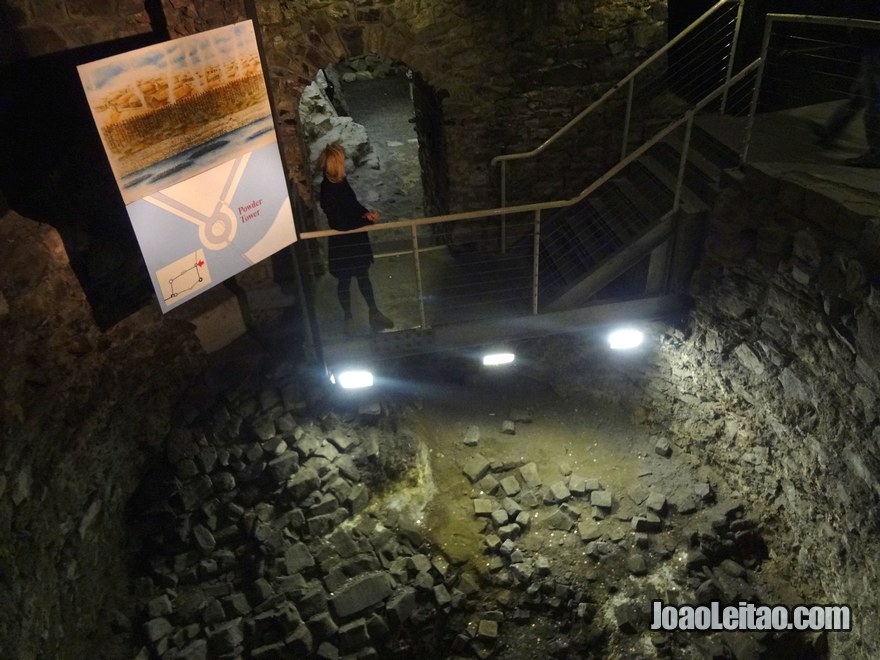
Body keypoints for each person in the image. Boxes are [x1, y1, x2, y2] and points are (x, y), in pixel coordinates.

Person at [316, 142, 394, 335]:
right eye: (342, 159)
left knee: (363, 276)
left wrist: (366, 214)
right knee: (344, 281)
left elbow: (353, 205)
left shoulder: (341, 181)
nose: (345, 162)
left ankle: (374, 312)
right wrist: (365, 223)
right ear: (336, 162)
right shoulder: (327, 190)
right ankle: (348, 317)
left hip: (355, 238)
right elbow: (339, 223)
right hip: (344, 242)